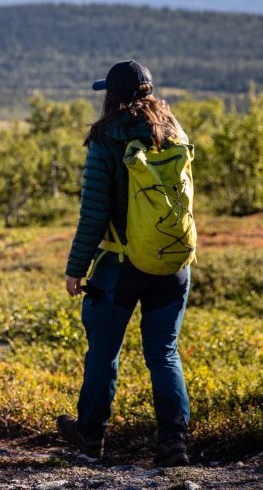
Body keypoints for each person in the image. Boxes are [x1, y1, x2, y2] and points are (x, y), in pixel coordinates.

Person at [57, 60, 192, 467]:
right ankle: (173, 443)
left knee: (103, 350)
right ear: (149, 91)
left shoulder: (106, 138)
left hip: (119, 266)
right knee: (164, 352)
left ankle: (91, 435)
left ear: (111, 96)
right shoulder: (173, 132)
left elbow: (94, 212)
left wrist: (76, 267)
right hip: (172, 262)